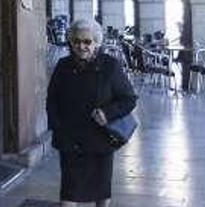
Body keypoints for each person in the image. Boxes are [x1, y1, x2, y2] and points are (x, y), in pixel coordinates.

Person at [46, 19, 138, 207]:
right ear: (71, 42)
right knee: (69, 192)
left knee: (101, 192)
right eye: (77, 41)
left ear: (96, 42)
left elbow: (129, 99)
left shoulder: (110, 66)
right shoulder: (63, 66)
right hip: (71, 142)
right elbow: (52, 99)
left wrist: (108, 113)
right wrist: (57, 127)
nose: (81, 46)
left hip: (100, 141)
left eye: (87, 42)